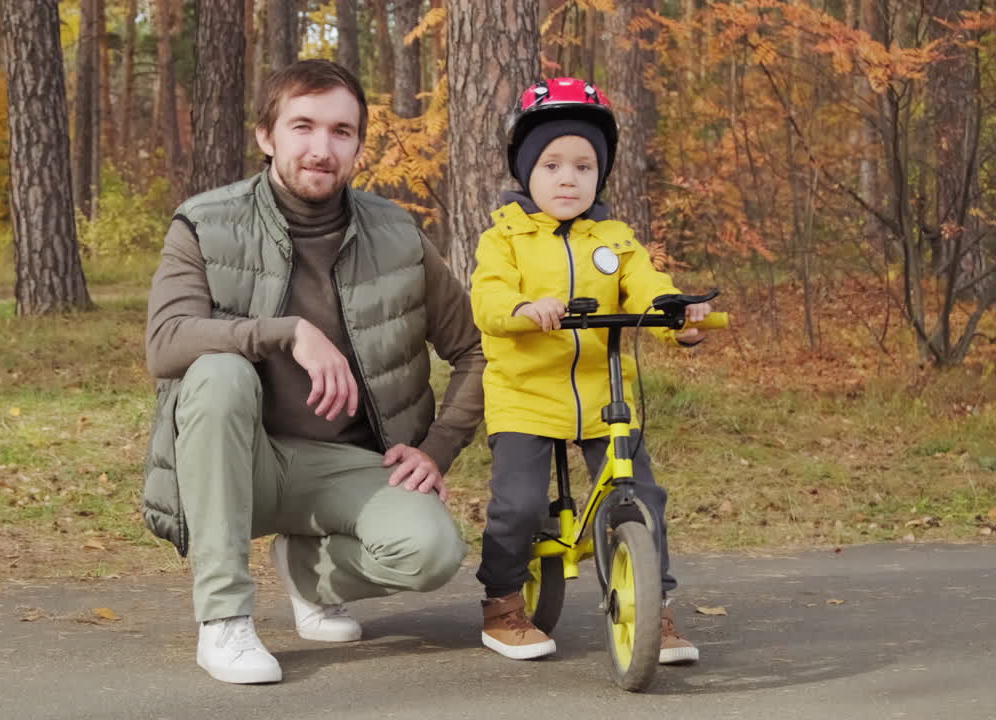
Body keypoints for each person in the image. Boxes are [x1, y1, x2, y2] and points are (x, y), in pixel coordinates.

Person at [142, 59, 485, 685]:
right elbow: (165, 343)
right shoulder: (205, 223)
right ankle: (223, 621)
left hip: (350, 467)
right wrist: (289, 332)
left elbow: (475, 350)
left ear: (358, 143)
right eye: (303, 127)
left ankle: (307, 570)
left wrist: (438, 448)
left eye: (341, 131)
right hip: (240, 464)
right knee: (218, 373)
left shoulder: (399, 235)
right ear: (267, 136)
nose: (321, 149)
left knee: (432, 551)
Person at [469, 77, 710, 664]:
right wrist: (525, 310)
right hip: (525, 395)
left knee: (643, 497)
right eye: (551, 164)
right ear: (526, 173)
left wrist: (676, 311)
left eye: (583, 165)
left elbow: (647, 285)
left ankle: (653, 607)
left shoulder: (616, 238)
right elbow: (488, 299)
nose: (568, 178)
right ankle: (502, 602)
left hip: (605, 396)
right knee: (520, 505)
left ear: (600, 174)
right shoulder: (504, 239)